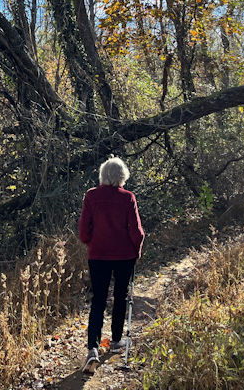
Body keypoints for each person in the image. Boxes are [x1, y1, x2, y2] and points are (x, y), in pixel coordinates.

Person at [78, 156, 145, 373]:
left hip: (98, 255)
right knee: (121, 296)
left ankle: (93, 348)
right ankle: (116, 341)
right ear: (122, 176)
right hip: (124, 256)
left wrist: (91, 242)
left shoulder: (91, 196)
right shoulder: (128, 198)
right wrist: (137, 250)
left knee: (98, 300)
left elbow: (83, 230)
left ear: (102, 175)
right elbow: (137, 231)